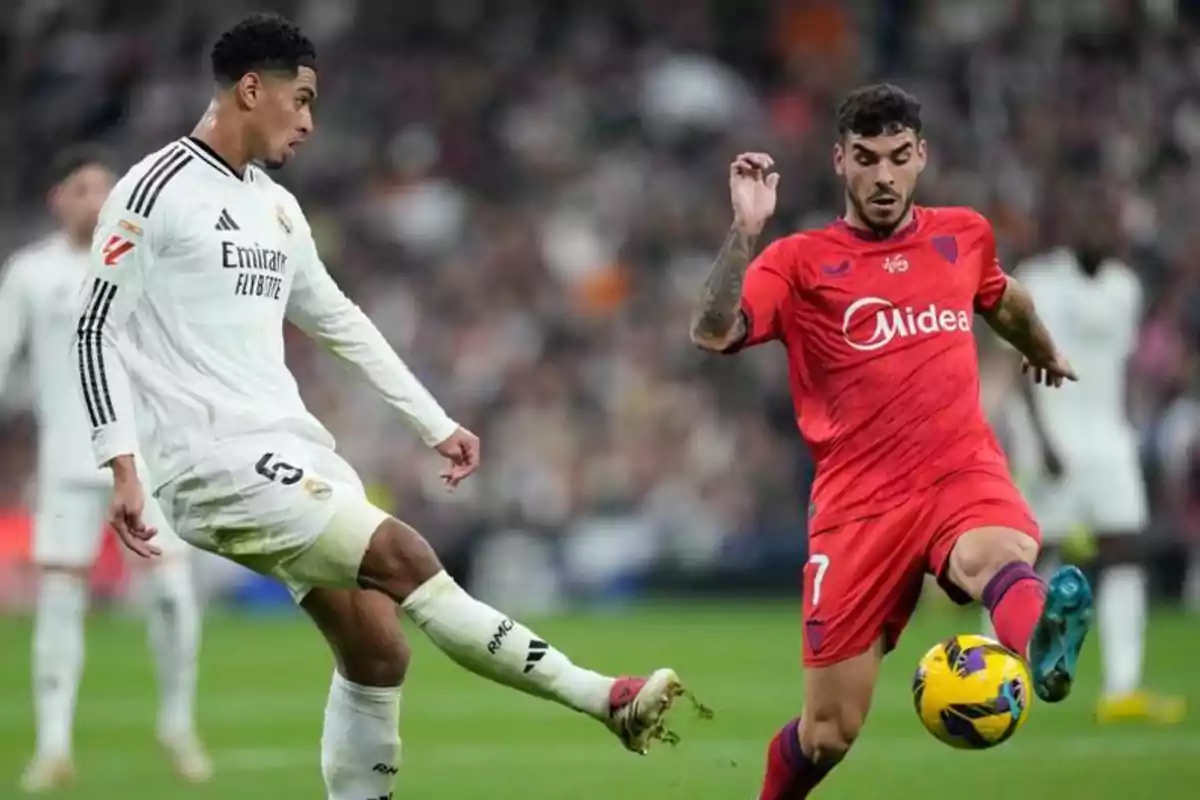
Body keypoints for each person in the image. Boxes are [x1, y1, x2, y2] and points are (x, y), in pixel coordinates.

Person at [70, 13, 687, 800]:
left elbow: (340, 322)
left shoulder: (277, 208)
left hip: (289, 447)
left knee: (377, 652)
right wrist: (120, 465)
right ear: (252, 89)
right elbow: (92, 328)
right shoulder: (153, 189)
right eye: (302, 99)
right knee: (406, 558)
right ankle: (607, 698)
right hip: (212, 460)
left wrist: (434, 423)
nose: (309, 121)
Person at [688, 84, 1092, 799]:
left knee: (997, 551)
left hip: (958, 471)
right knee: (827, 734)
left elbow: (1005, 297)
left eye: (899, 158)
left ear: (921, 157)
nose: (883, 176)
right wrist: (745, 231)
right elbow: (713, 331)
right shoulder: (799, 261)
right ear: (840, 161)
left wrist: (1044, 350)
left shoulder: (963, 234)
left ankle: (1039, 646)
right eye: (867, 159)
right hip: (858, 509)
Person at [0, 147, 210, 793]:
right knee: (61, 600)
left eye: (106, 188)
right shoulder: (31, 273)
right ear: (57, 198)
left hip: (146, 461)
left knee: (174, 595)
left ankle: (177, 724)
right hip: (67, 462)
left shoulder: (149, 264)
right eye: (83, 187)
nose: (96, 198)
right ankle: (54, 744)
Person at [998, 192, 1186, 724]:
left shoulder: (1124, 288)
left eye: (1106, 223)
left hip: (1109, 442)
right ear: (1069, 226)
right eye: (1087, 221)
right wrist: (1037, 438)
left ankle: (1122, 688)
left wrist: (1129, 431)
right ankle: (996, 668)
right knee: (1033, 555)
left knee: (1126, 550)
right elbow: (1020, 362)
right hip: (1053, 441)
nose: (1097, 232)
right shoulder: (1039, 278)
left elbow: (1119, 370)